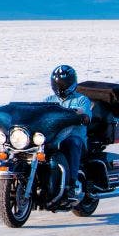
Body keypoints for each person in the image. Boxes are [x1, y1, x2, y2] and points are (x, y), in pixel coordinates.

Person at [45, 65, 93, 202]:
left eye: (64, 83)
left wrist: (82, 116)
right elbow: (39, 114)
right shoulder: (49, 100)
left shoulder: (82, 100)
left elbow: (86, 115)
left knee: (73, 143)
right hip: (53, 138)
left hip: (73, 137)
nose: (60, 86)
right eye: (57, 83)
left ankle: (71, 183)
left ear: (72, 83)